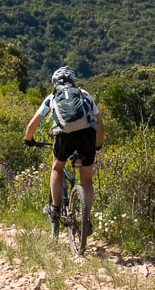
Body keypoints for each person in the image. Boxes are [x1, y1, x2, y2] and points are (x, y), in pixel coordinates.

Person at [23, 66, 104, 232]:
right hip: (87, 135)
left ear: (55, 82)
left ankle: (55, 208)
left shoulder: (52, 96)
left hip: (64, 136)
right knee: (87, 179)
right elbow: (100, 124)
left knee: (57, 168)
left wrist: (28, 139)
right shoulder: (84, 94)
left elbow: (32, 124)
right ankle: (85, 220)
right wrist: (97, 144)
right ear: (72, 81)